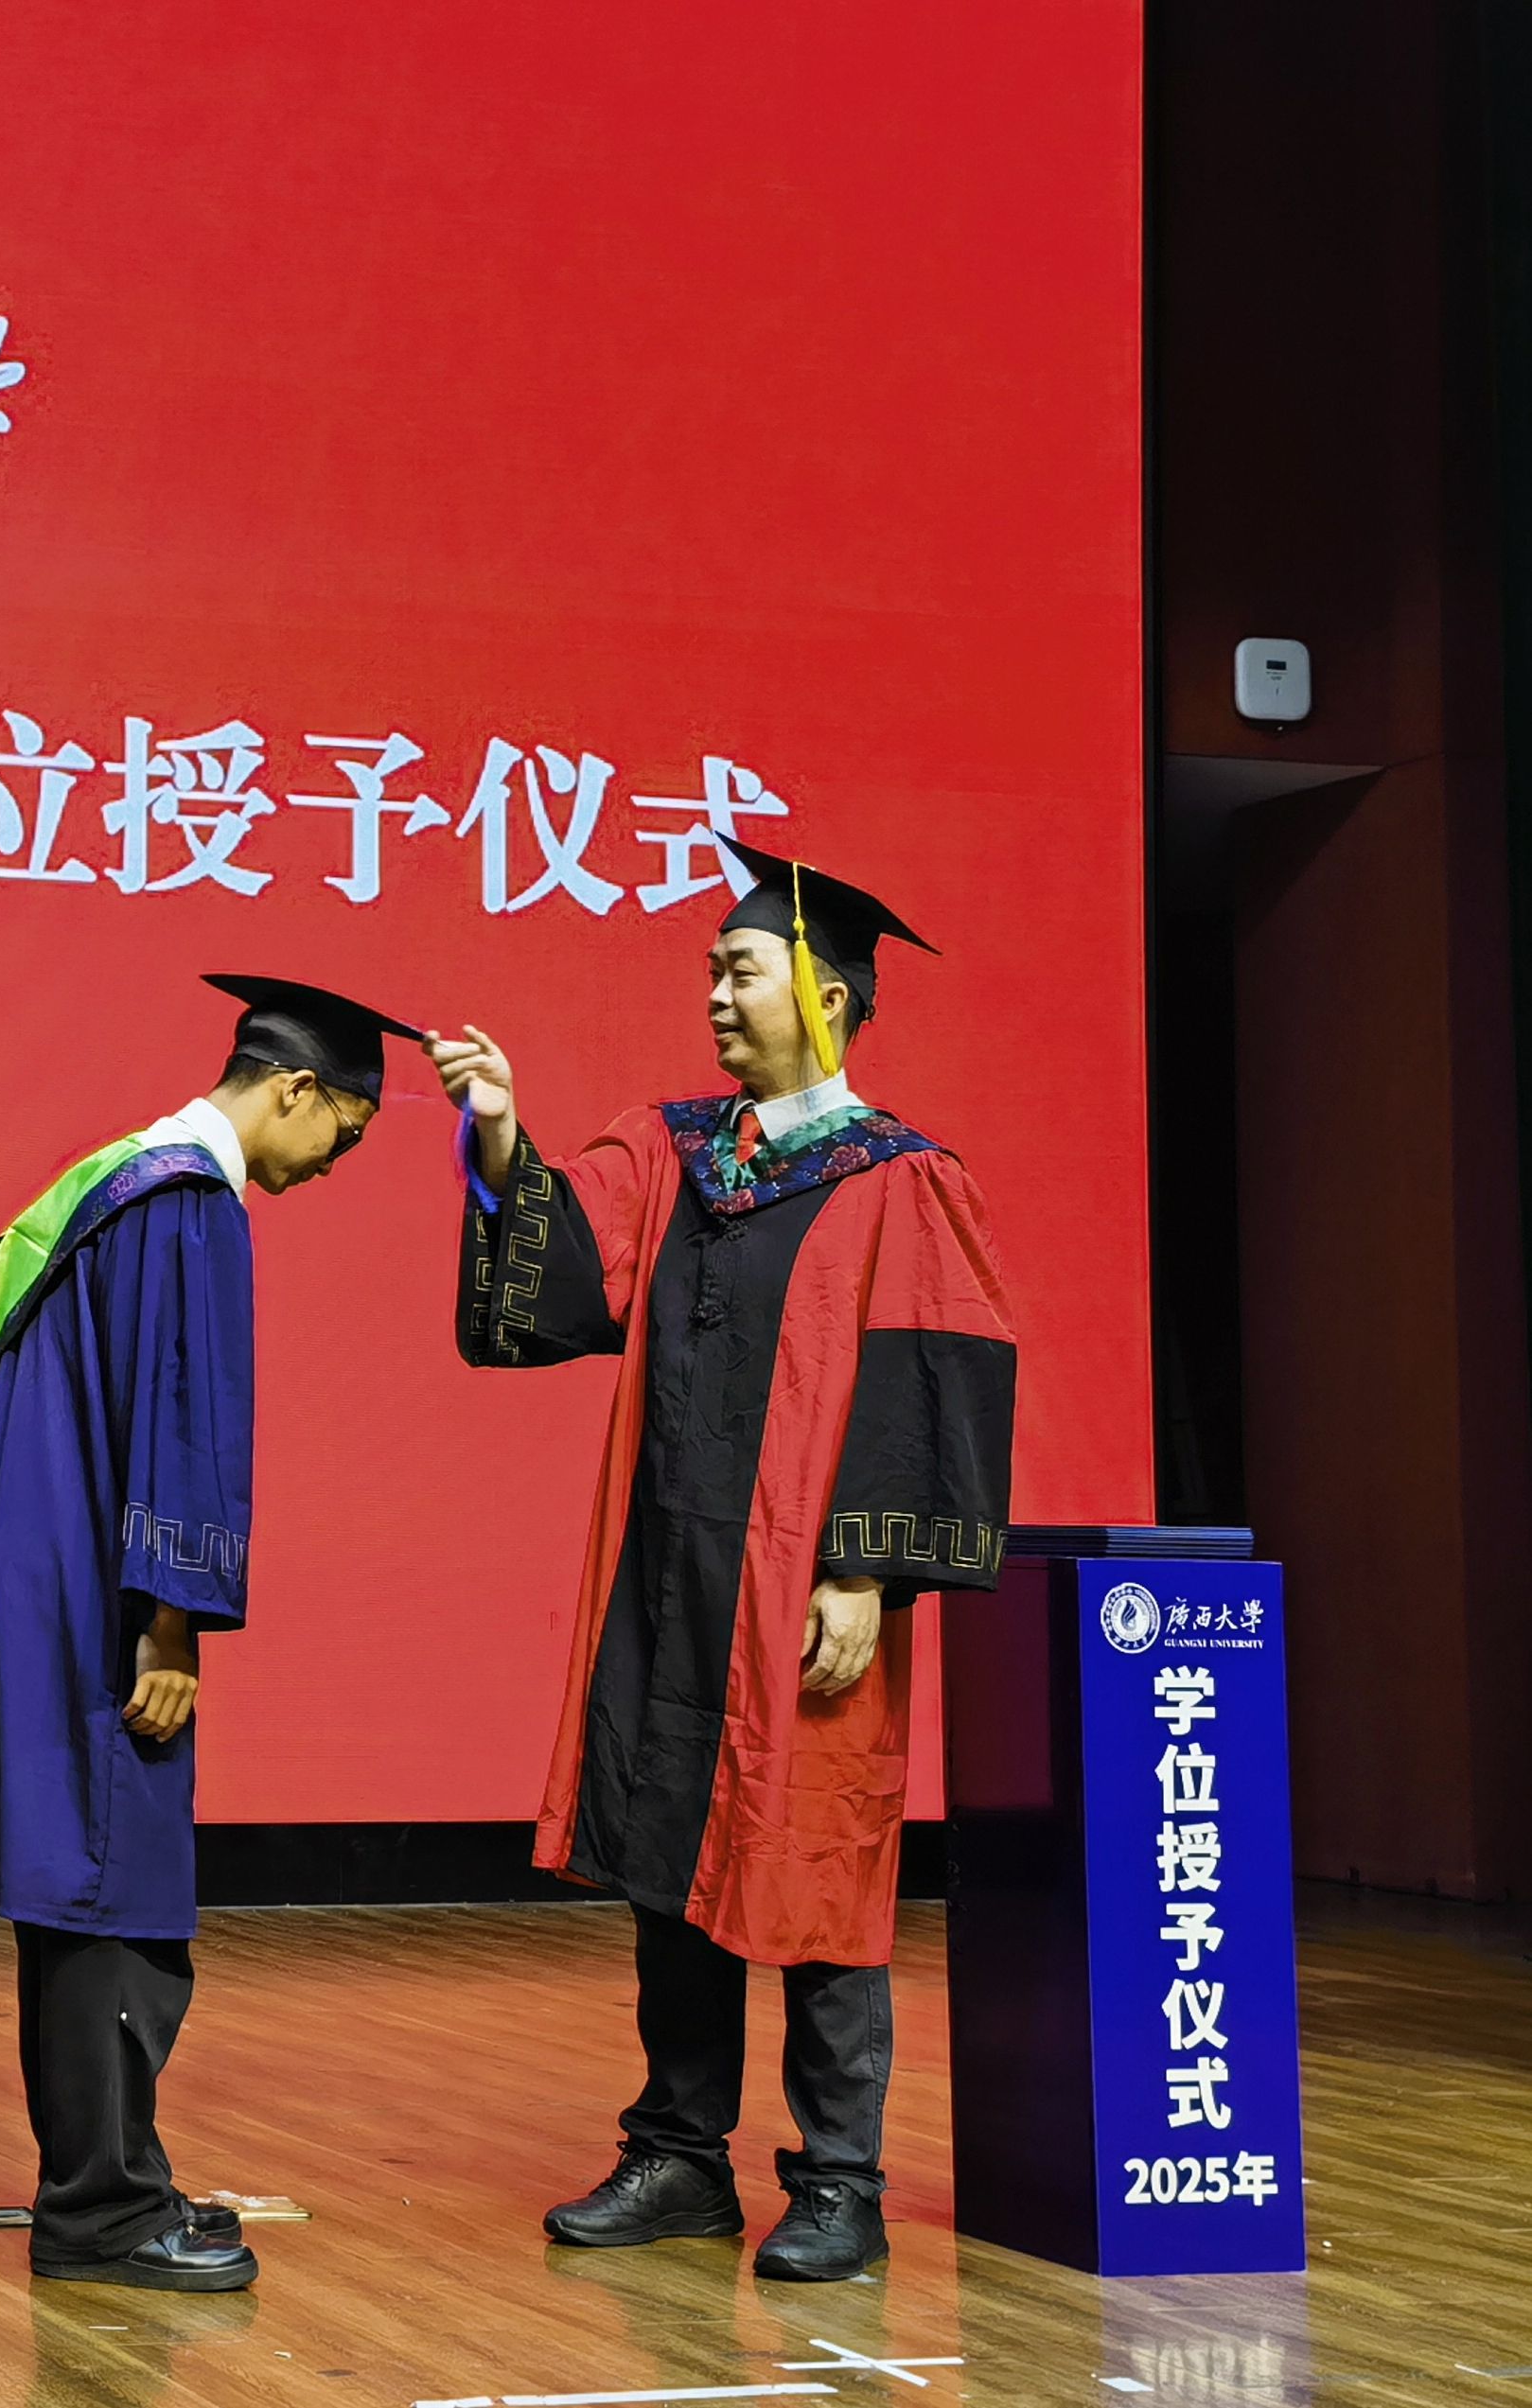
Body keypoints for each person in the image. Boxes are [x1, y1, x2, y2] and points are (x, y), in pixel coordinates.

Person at [428, 843, 1016, 2284]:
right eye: (709, 970)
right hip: (667, 1568)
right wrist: (498, 1136)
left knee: (818, 1862)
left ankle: (838, 2180)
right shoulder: (675, 1148)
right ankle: (680, 2157)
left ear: (825, 995)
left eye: (738, 970)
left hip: (802, 1582)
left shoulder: (900, 1178)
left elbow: (932, 1375)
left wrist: (866, 1573)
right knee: (664, 1851)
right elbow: (565, 1267)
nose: (712, 993)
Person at [0, 972, 419, 2293]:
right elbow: (182, 1423)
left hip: (42, 1560)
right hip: (106, 1587)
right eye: (344, 1133)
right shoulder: (188, 1205)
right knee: (113, 1885)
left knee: (72, 1879)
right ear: (295, 1089)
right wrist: (174, 1623)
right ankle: (102, 2213)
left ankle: (110, 2182)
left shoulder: (115, 1182)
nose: (331, 1165)